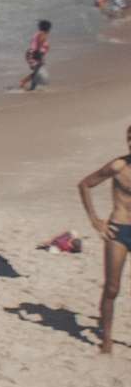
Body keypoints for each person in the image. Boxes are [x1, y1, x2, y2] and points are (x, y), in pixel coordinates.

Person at [77, 123, 131, 354]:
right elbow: (85, 184)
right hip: (118, 230)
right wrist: (95, 220)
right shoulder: (118, 166)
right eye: (130, 139)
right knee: (111, 288)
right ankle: (107, 340)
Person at [21, 19, 51, 90]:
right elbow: (39, 44)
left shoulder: (39, 34)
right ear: (48, 28)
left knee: (37, 72)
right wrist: (39, 56)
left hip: (33, 53)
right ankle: (24, 82)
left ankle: (31, 87)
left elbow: (36, 44)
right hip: (35, 54)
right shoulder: (43, 34)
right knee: (37, 72)